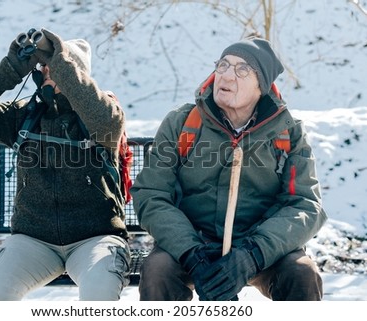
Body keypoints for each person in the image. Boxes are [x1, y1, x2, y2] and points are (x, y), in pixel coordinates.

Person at [131, 37, 328, 301]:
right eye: (223, 65)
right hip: (193, 244)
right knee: (158, 271)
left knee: (301, 273)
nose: (226, 75)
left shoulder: (288, 132)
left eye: (241, 69)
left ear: (262, 85)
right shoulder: (182, 122)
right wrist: (192, 253)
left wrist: (252, 254)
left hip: (259, 248)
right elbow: (152, 194)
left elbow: (304, 205)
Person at [0, 28, 130, 301]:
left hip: (95, 239)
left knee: (99, 292)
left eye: (57, 68)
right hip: (33, 240)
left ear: (78, 75)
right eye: (45, 68)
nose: (49, 73)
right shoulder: (24, 115)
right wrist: (11, 68)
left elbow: (106, 120)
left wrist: (61, 62)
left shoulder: (102, 115)